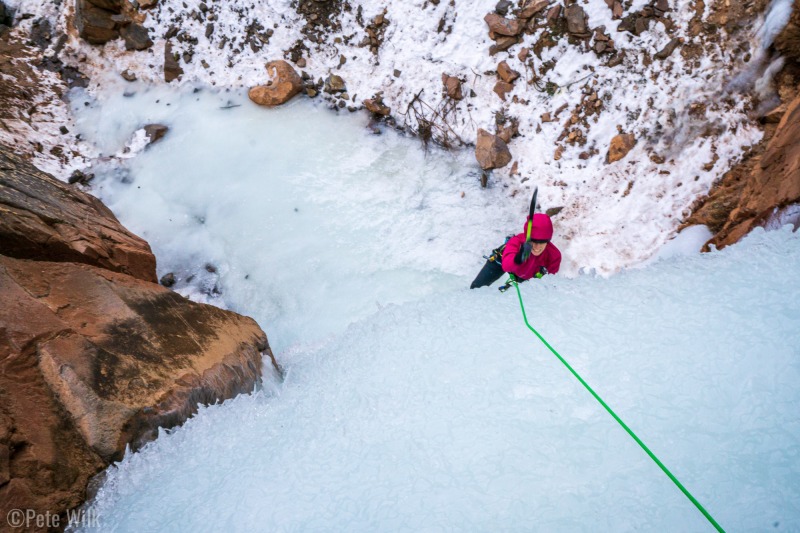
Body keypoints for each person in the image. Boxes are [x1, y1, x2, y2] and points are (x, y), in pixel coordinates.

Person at [470, 213, 561, 289]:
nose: (537, 247)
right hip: (500, 261)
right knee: (476, 288)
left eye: (542, 242)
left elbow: (549, 283)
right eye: (534, 241)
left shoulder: (554, 256)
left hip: (525, 275)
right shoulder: (516, 241)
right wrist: (518, 258)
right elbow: (507, 266)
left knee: (506, 297)